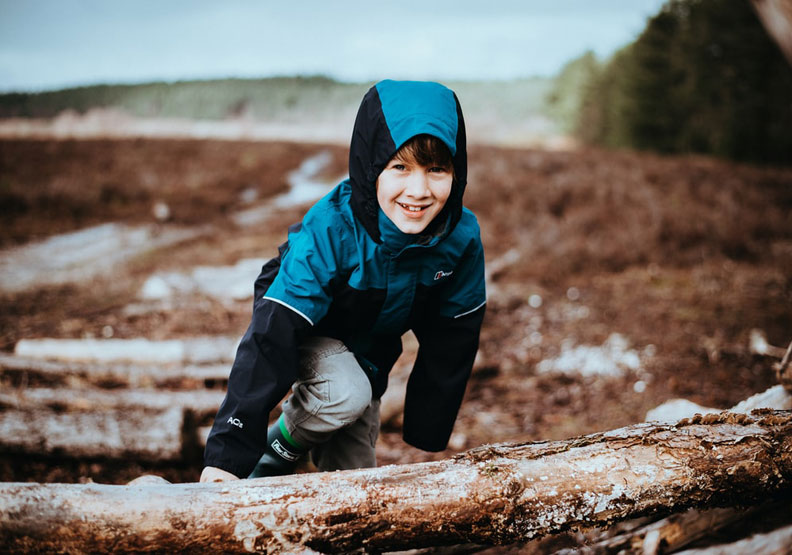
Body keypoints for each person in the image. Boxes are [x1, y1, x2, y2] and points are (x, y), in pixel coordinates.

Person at [200, 79, 486, 482]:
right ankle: (267, 461)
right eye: (400, 167)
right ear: (371, 167)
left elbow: (455, 333)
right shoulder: (332, 228)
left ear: (457, 172)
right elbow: (271, 336)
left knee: (354, 482)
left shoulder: (459, 239)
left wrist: (429, 427)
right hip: (300, 325)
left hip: (368, 351)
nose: (419, 190)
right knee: (344, 392)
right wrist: (227, 452)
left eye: (436, 169)